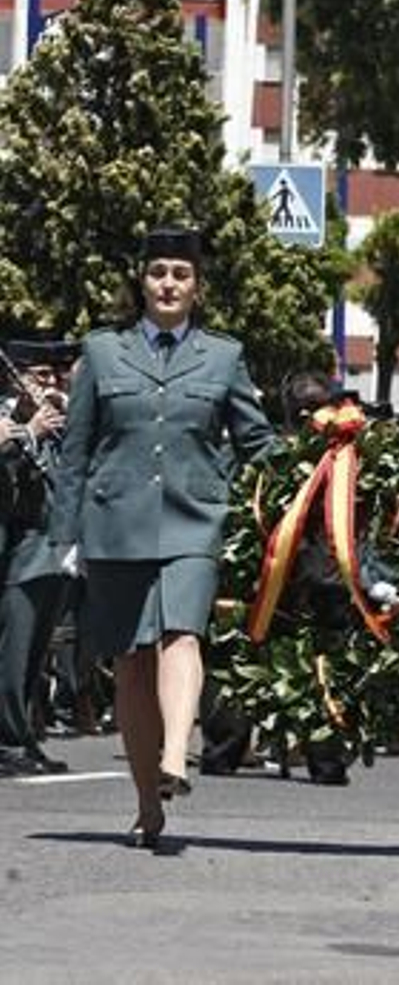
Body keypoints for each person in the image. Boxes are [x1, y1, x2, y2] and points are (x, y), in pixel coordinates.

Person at [50, 227, 278, 848]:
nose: (169, 284)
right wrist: (63, 534)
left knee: (183, 632)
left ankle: (177, 753)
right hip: (115, 520)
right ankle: (148, 799)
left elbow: (257, 441)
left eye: (181, 274)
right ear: (142, 283)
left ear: (197, 287)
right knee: (129, 665)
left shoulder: (223, 357)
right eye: (159, 274)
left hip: (193, 518)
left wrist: (320, 462)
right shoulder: (102, 353)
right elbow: (75, 452)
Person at [0, 339, 75, 777]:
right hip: (21, 552)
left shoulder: (57, 418)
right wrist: (30, 430)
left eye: (52, 376)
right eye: (38, 375)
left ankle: (23, 736)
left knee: (33, 654)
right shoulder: (10, 417)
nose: (47, 383)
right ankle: (8, 738)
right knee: (14, 650)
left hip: (55, 550)